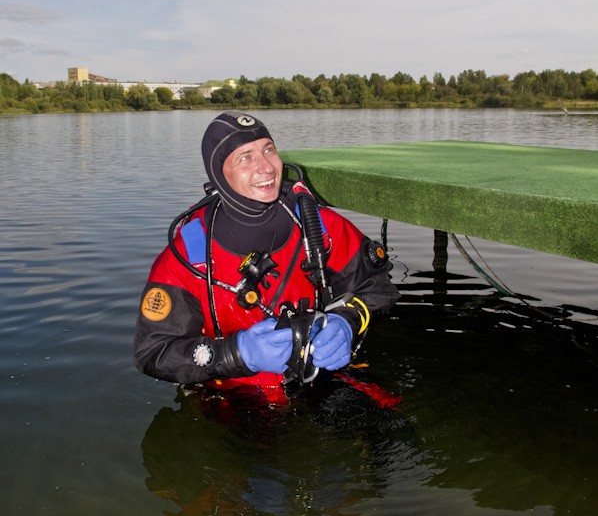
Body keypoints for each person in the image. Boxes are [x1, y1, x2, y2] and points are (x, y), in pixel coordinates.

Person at [133, 111, 399, 401]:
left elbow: (377, 286)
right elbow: (153, 352)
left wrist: (347, 320)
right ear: (219, 173)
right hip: (232, 397)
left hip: (321, 377)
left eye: (268, 150)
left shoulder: (317, 227)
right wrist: (237, 353)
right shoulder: (189, 255)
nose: (267, 167)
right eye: (245, 157)